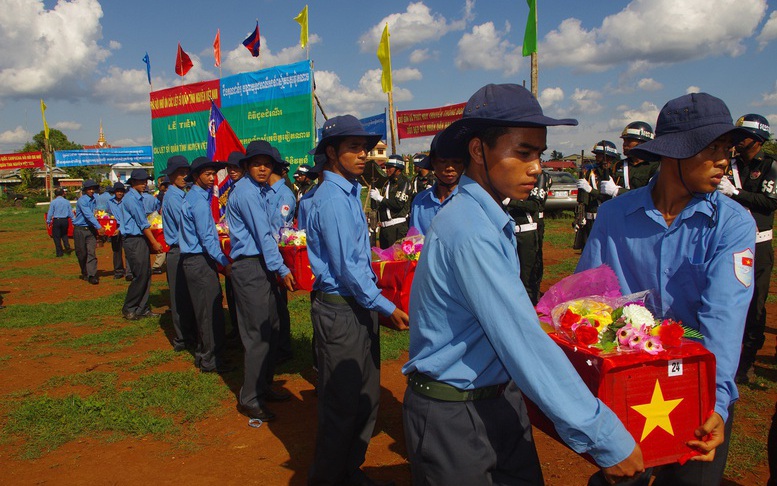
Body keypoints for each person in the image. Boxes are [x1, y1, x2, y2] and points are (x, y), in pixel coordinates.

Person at [402, 84, 643, 485]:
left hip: (495, 401)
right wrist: (603, 436)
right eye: (524, 153)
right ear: (478, 151)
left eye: (540, 155)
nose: (536, 168)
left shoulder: (488, 219)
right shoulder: (470, 229)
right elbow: (521, 341)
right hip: (456, 417)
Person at [577, 92, 756, 486]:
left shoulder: (731, 225)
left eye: (727, 148)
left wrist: (716, 405)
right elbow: (589, 302)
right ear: (676, 152)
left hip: (700, 390)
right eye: (712, 149)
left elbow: (722, 323)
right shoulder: (614, 216)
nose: (725, 161)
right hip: (628, 383)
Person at [304, 115, 410, 486]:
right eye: (354, 148)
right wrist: (385, 306)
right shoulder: (332, 200)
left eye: (365, 148)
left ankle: (349, 469)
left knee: (365, 395)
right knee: (342, 403)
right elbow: (347, 268)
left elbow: (355, 258)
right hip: (342, 308)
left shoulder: (348, 191)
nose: (364, 155)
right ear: (332, 152)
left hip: (356, 305)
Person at [227, 140, 296, 422]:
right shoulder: (246, 193)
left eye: (267, 164)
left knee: (272, 327)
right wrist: (282, 268)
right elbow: (263, 234)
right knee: (257, 333)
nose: (263, 168)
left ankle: (264, 385)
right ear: (246, 166)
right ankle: (250, 397)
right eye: (257, 163)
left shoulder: (259, 191)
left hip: (262, 265)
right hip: (251, 266)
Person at [717, 113, 777, 385]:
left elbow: (769, 202)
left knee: (755, 305)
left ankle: (748, 362)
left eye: (741, 137)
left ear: (755, 140)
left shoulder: (770, 166)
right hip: (728, 241)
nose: (736, 141)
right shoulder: (729, 165)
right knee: (725, 298)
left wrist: (736, 194)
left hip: (758, 243)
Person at [180, 156, 233, 374]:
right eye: (207, 174)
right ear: (195, 176)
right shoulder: (199, 202)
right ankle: (211, 360)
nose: (212, 178)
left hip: (194, 260)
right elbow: (207, 239)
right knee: (210, 310)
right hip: (199, 260)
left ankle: (204, 353)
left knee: (203, 309)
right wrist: (224, 264)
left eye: (214, 174)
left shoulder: (194, 197)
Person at [160, 156, 197, 352]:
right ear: (171, 175)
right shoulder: (173, 198)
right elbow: (185, 225)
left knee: (185, 295)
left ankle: (188, 333)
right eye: (180, 173)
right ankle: (183, 338)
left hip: (182, 249)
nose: (184, 176)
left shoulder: (180, 195)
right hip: (178, 250)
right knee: (179, 296)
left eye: (186, 172)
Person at [266, 147, 297, 365]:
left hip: (276, 253)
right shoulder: (268, 192)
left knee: (278, 303)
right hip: (268, 252)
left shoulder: (284, 194)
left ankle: (284, 348)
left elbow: (280, 228)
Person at [121, 169, 163, 320]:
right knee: (140, 275)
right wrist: (154, 242)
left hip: (139, 239)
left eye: (146, 181)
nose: (145, 184)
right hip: (134, 239)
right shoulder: (131, 199)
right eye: (141, 181)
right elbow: (142, 223)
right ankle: (129, 307)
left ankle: (142, 308)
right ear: (133, 183)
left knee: (146, 274)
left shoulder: (138, 197)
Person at [507, 169, 551, 305]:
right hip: (509, 230)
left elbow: (536, 205)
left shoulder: (539, 176)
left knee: (528, 275)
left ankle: (530, 306)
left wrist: (509, 201)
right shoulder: (507, 174)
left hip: (527, 232)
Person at [408, 132, 463, 235]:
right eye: (443, 161)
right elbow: (415, 243)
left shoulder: (472, 200)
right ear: (433, 163)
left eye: (456, 161)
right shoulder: (420, 202)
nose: (450, 167)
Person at [575, 140, 620, 248]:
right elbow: (583, 198)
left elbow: (608, 197)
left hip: (609, 219)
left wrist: (591, 190)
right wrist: (579, 216)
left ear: (607, 158)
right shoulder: (591, 173)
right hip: (590, 219)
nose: (596, 158)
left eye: (599, 155)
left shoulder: (616, 175)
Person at [600, 121, 659, 198]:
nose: (624, 144)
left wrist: (617, 191)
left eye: (629, 140)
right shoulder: (619, 166)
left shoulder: (657, 166)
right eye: (624, 141)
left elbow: (652, 195)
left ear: (642, 142)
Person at [221, 150, 245, 341]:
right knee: (232, 291)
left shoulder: (246, 190)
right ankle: (237, 329)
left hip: (245, 252)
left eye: (236, 167)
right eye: (229, 167)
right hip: (232, 247)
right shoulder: (233, 189)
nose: (232, 171)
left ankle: (241, 332)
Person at [370, 154, 411, 249]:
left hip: (397, 228)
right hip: (385, 229)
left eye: (390, 167)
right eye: (386, 167)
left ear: (398, 169)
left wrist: (379, 198)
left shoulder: (404, 182)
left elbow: (398, 203)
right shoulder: (387, 183)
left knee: (397, 259)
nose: (386, 169)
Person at [73, 179, 105, 284]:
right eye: (89, 189)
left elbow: (99, 209)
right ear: (85, 190)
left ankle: (92, 275)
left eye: (93, 189)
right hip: (80, 229)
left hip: (90, 230)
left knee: (91, 252)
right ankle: (84, 271)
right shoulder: (82, 201)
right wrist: (99, 227)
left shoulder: (95, 199)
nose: (92, 191)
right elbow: (88, 215)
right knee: (81, 253)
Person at [106, 182, 131, 280]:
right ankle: (118, 271)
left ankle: (129, 272)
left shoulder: (126, 201)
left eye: (121, 191)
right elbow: (107, 214)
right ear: (114, 192)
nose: (120, 193)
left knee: (128, 250)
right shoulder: (110, 202)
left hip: (126, 226)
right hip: (114, 227)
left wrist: (120, 229)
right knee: (116, 250)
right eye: (118, 191)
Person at [151, 177, 171, 275]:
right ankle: (157, 265)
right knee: (163, 243)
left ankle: (164, 264)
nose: (167, 188)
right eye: (165, 186)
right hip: (161, 222)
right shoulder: (159, 196)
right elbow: (156, 209)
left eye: (168, 185)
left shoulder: (173, 195)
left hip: (169, 224)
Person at [47, 188, 73, 257]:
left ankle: (59, 252)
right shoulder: (67, 202)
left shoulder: (53, 202)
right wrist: (73, 220)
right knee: (64, 234)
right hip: (65, 220)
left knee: (56, 236)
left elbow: (50, 212)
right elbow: (70, 212)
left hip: (57, 220)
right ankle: (67, 246)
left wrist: (48, 221)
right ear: (63, 193)